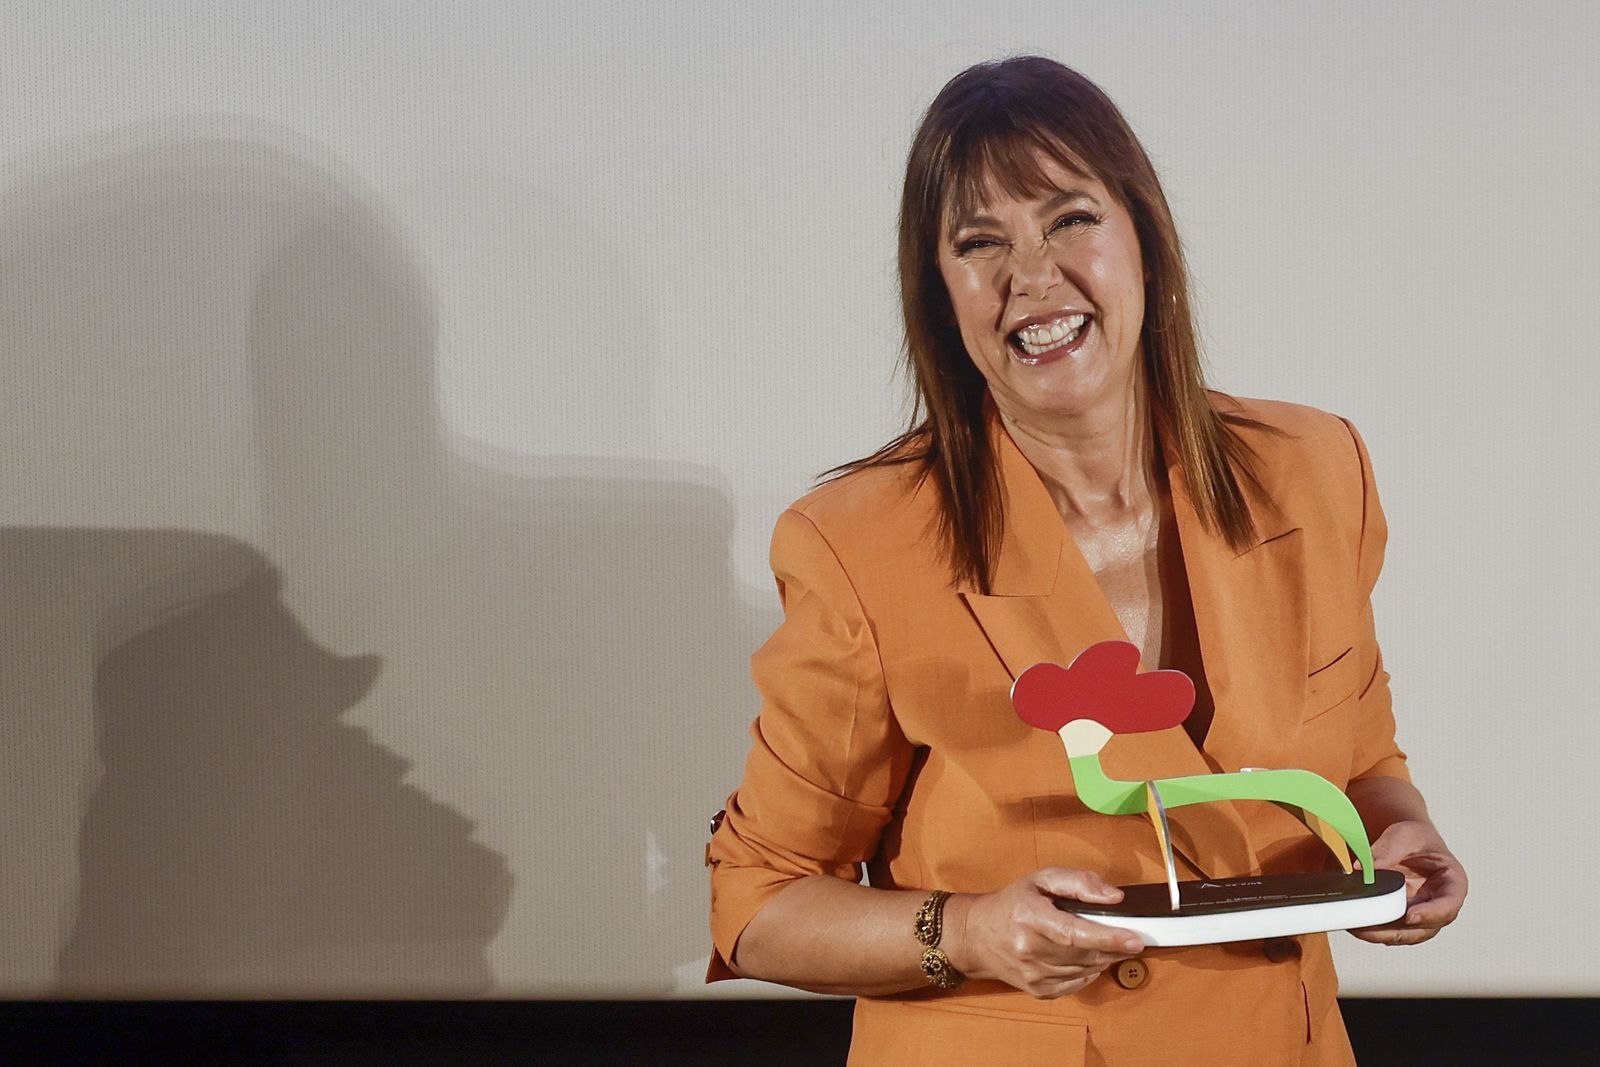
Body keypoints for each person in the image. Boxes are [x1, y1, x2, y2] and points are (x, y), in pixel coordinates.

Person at [705, 56, 1466, 1065]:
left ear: (1143, 237)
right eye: (981, 244)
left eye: (1070, 219)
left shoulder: (1313, 469)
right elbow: (757, 900)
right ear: (943, 296)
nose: (1032, 276)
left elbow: (1363, 765)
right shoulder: (857, 545)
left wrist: (1402, 838)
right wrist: (969, 931)